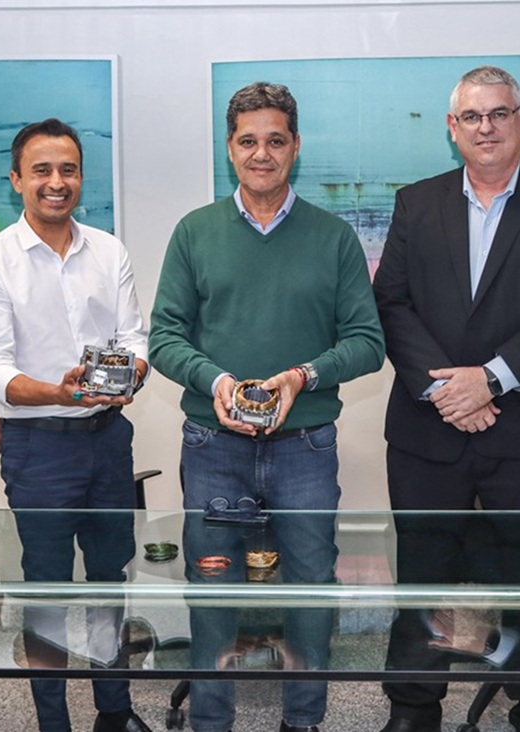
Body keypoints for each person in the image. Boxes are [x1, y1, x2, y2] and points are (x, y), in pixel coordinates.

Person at [372, 64, 520, 732]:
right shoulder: (417, 203)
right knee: (422, 577)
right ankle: (413, 709)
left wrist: (491, 378)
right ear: (453, 128)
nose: (486, 127)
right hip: (429, 429)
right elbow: (391, 304)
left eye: (499, 113)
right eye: (472, 116)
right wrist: (448, 390)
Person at [149, 81, 385, 732]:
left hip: (305, 448)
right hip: (213, 447)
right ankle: (212, 722)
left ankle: (302, 721)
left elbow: (367, 342)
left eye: (275, 140)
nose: (262, 153)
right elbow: (164, 337)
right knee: (211, 589)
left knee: (312, 589)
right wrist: (217, 380)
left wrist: (303, 376)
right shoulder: (194, 233)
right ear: (230, 148)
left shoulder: (334, 238)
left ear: (295, 147)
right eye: (248, 141)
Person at [0, 118, 152, 732]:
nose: (56, 181)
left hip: (108, 440)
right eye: (41, 170)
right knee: (44, 589)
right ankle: (53, 722)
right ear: (16, 179)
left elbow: (133, 337)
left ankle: (114, 711)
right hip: (37, 446)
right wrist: (59, 393)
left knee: (109, 580)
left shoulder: (109, 251)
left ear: (81, 178)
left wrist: (132, 371)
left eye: (68, 169)